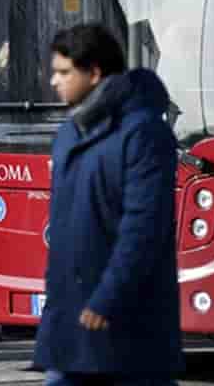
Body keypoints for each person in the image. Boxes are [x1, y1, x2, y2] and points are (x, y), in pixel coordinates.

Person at [33, 24, 183, 385]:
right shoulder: (70, 132)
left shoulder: (144, 132)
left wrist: (108, 297)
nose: (54, 81)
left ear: (95, 72)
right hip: (71, 324)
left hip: (126, 324)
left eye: (64, 72)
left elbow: (143, 228)